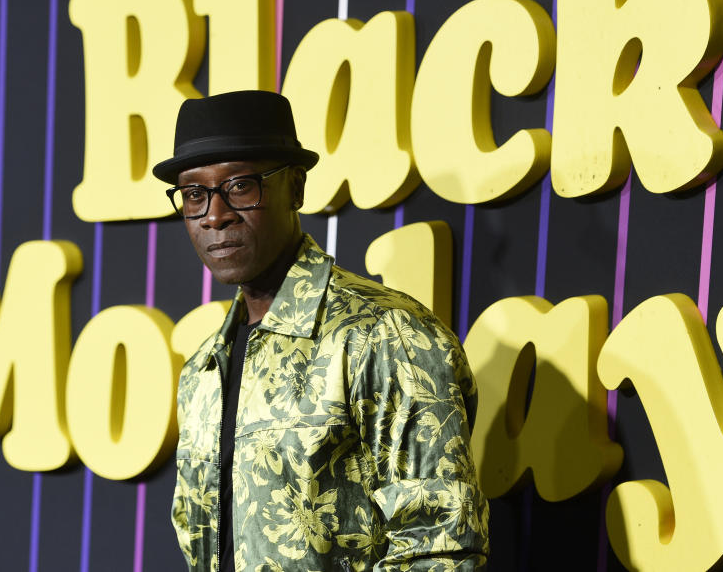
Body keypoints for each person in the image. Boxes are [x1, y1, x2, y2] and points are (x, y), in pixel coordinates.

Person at [153, 90, 489, 571]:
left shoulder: (384, 333)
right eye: (193, 195)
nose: (215, 215)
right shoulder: (204, 369)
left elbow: (440, 545)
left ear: (296, 188)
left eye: (240, 186)